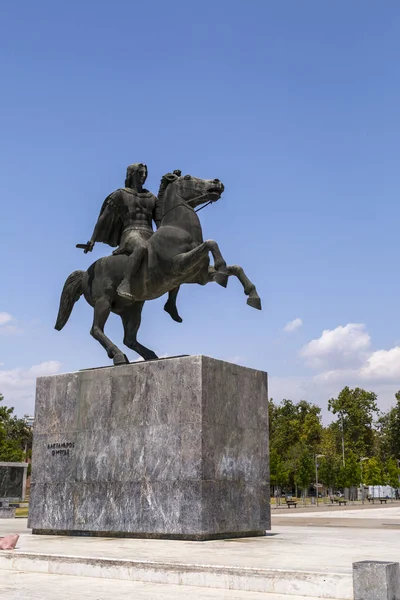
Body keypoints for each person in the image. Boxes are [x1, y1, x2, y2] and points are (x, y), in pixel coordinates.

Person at [85, 163, 182, 321]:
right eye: (140, 173)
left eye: (145, 174)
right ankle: (126, 283)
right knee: (142, 247)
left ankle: (171, 302)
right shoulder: (120, 194)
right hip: (130, 233)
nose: (143, 176)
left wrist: (171, 187)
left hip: (149, 233)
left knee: (174, 258)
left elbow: (160, 220)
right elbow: (103, 218)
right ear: (131, 175)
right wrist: (92, 240)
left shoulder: (151, 197)